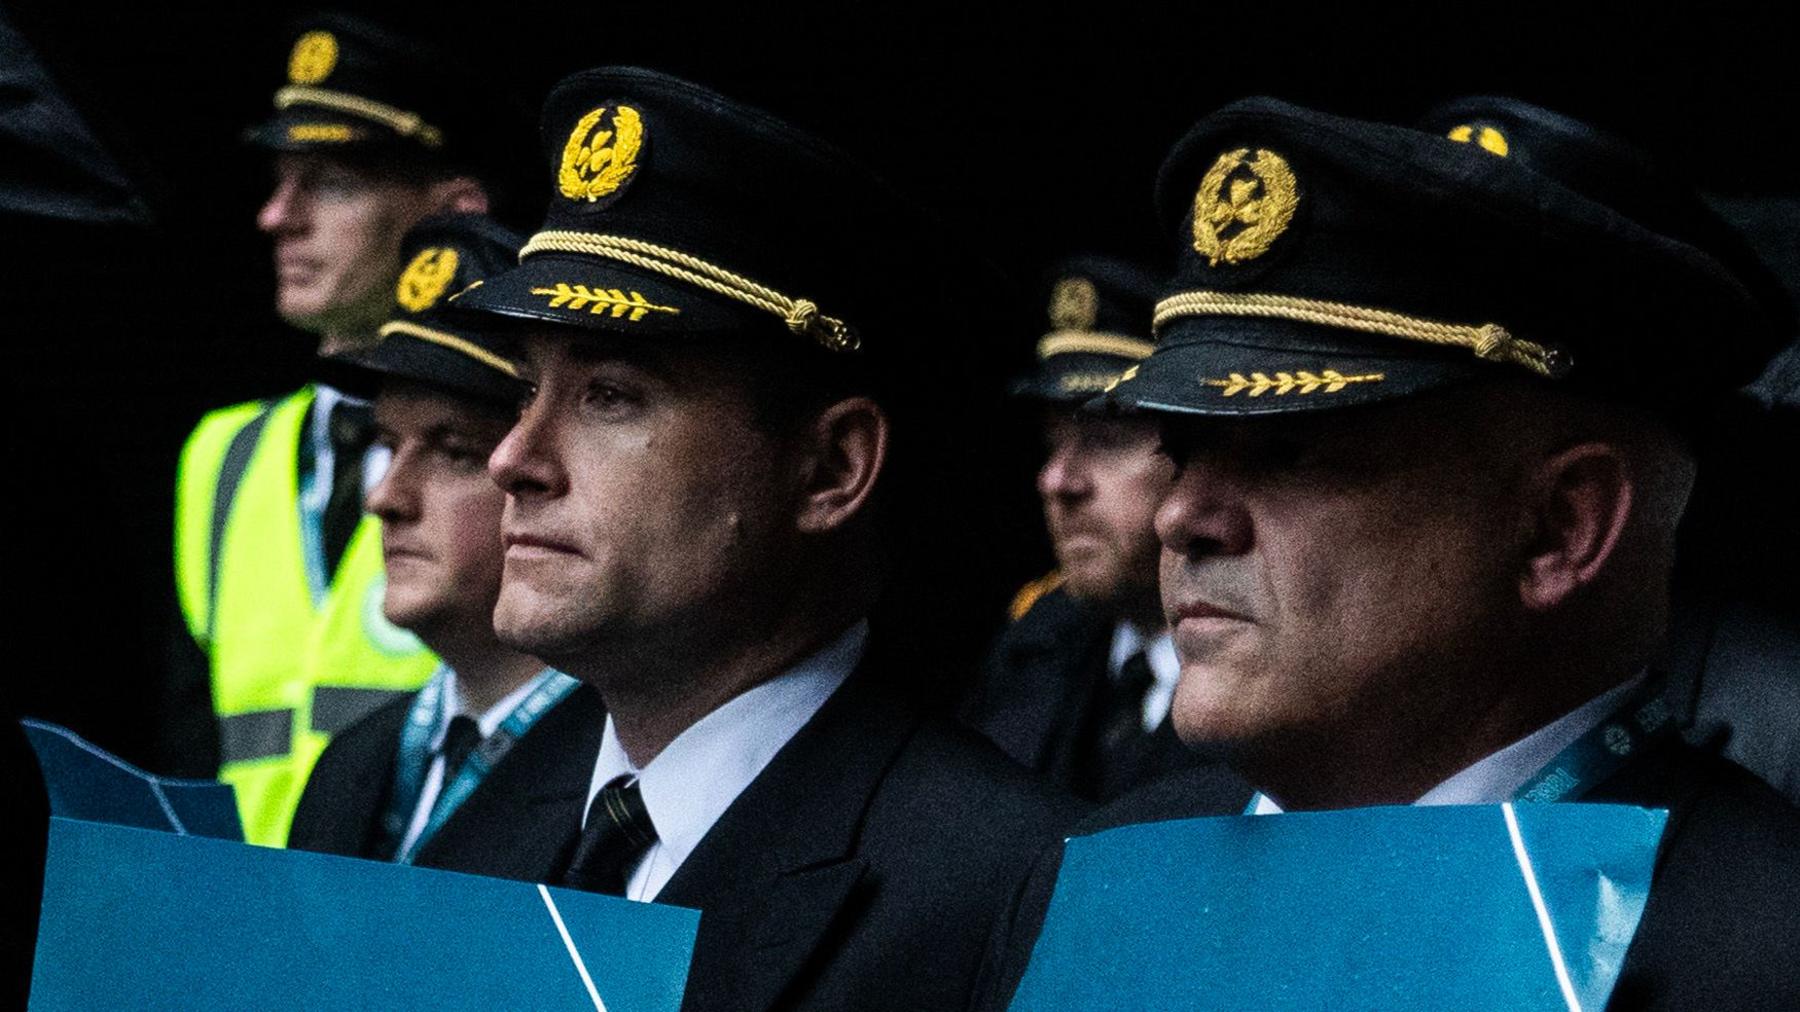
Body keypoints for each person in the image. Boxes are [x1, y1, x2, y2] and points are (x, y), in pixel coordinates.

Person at [980, 97, 1800, 1008]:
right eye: (1182, 451)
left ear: (1559, 529)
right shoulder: (1091, 875)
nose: (1183, 519)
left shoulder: (1765, 948)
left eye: (1289, 448)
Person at [453, 66, 1086, 1011]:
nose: (513, 458)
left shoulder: (1021, 897)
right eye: (523, 391)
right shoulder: (482, 829)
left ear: (830, 469)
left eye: (612, 396)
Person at [164, 14, 506, 846]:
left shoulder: (522, 439)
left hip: (420, 925)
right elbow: (189, 746)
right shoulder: (222, 454)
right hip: (246, 933)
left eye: (333, 183)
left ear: (455, 211)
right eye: (281, 180)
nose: (279, 216)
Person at [287, 214, 606, 879]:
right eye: (385, 445)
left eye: (453, 452)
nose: (385, 497)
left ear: (534, 468)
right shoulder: (353, 761)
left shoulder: (624, 774)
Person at [962, 256, 1244, 804]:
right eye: (1052, 444)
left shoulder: (1272, 676)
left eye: (1105, 439)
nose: (1056, 480)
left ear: (1199, 451)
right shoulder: (1035, 642)